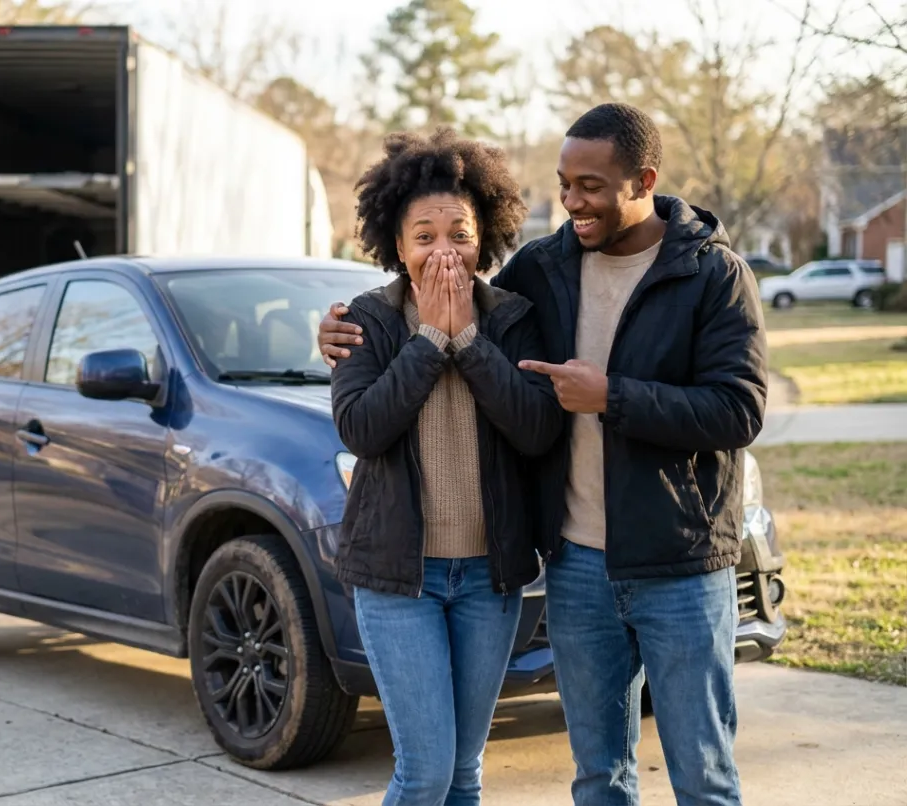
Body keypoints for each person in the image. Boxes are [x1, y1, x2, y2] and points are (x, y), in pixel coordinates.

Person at [320, 104, 767, 806]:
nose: (573, 202)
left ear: (643, 180)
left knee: (704, 777)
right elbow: (372, 406)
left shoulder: (712, 277)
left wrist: (609, 394)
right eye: (564, 184)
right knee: (592, 776)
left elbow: (738, 410)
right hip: (573, 564)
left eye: (591, 185)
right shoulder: (544, 269)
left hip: (675, 561)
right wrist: (380, 337)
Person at [330, 127, 563, 805]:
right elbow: (363, 429)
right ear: (396, 247)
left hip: (489, 582)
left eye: (457, 233)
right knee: (425, 771)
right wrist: (431, 338)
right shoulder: (367, 322)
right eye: (423, 235)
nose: (443, 250)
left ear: (483, 237)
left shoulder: (514, 319)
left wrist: (469, 339)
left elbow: (537, 427)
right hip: (400, 580)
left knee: (465, 773)